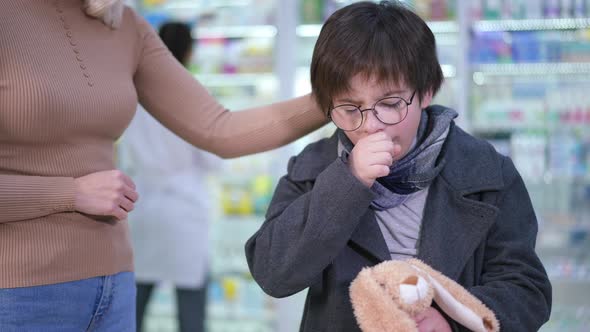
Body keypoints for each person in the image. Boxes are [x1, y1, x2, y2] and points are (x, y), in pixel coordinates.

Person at [0, 1, 326, 331]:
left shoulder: (123, 24)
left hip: (114, 287)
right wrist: (70, 193)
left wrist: (338, 98)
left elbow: (219, 128)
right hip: (17, 290)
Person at [245, 1, 552, 331]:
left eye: (390, 104)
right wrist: (347, 181)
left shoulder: (488, 172)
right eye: (350, 108)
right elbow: (272, 273)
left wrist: (453, 319)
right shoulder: (313, 167)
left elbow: (526, 289)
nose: (370, 126)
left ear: (426, 92)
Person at [118, 21, 218, 332]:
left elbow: (123, 154)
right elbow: (215, 159)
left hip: (144, 208)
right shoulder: (194, 95)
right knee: (190, 312)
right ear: (189, 51)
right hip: (185, 211)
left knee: (134, 306)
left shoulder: (133, 95)